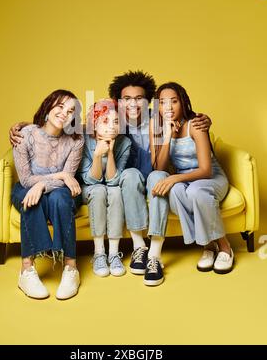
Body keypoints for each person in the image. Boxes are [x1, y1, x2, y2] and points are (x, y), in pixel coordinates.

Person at [108, 71, 212, 277]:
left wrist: (205, 119)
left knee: (158, 176)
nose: (132, 104)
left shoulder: (159, 119)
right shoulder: (111, 122)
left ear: (148, 101)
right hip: (131, 180)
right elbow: (79, 129)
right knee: (129, 174)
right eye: (126, 99)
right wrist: (27, 126)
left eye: (139, 99)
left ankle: (155, 254)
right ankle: (139, 247)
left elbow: (183, 116)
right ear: (118, 102)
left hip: (157, 175)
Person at [146, 82, 234, 286]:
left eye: (174, 101)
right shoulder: (157, 127)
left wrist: (175, 177)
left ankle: (224, 246)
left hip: (210, 179)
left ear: (182, 103)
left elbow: (206, 170)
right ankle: (208, 245)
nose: (168, 107)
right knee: (174, 190)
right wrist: (167, 136)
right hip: (184, 181)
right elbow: (159, 167)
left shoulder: (195, 125)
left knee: (194, 191)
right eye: (163, 103)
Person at [11, 89, 84, 299]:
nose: (64, 113)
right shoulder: (25, 134)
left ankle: (71, 268)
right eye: (60, 106)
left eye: (71, 111)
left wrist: (42, 185)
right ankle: (26, 270)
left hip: (61, 192)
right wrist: (57, 176)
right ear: (49, 106)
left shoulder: (76, 141)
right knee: (32, 200)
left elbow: (69, 180)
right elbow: (25, 180)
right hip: (26, 189)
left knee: (61, 198)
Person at [77, 99, 131, 277]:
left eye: (116, 122)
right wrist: (97, 155)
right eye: (106, 121)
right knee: (99, 190)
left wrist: (109, 152)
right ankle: (99, 252)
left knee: (115, 191)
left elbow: (114, 180)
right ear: (94, 123)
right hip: (89, 188)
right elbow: (90, 180)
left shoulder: (124, 142)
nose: (112, 127)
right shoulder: (83, 139)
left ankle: (114, 253)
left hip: (110, 186)